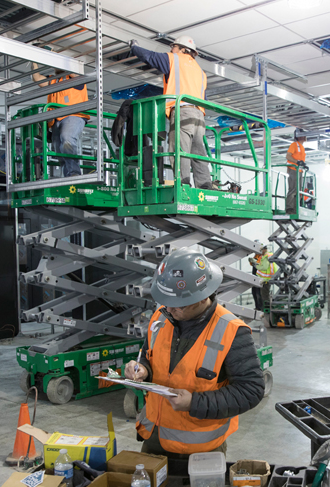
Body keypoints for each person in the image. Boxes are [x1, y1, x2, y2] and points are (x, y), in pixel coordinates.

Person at [125, 248, 264, 458]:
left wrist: (194, 403)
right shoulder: (161, 317)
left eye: (178, 305)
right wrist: (142, 368)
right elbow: (148, 355)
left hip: (201, 449)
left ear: (202, 297)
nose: (169, 309)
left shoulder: (232, 331)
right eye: (166, 302)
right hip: (154, 437)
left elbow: (251, 391)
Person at [130, 37, 212, 189]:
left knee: (179, 149)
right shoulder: (201, 72)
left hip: (182, 111)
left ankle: (183, 186)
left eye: (173, 47)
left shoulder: (174, 59)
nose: (171, 50)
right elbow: (204, 98)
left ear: (182, 49)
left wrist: (134, 47)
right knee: (198, 151)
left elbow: (150, 56)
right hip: (199, 116)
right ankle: (205, 185)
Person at [31, 61, 89, 178]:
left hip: (74, 115)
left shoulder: (75, 77)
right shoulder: (53, 80)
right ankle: (67, 176)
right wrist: (33, 60)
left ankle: (74, 173)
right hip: (57, 119)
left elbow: (71, 70)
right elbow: (37, 78)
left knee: (67, 139)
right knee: (59, 150)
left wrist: (57, 57)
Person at [285, 130, 307, 214]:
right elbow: (288, 156)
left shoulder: (301, 147)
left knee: (298, 190)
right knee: (293, 189)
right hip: (294, 169)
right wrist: (297, 162)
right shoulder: (294, 145)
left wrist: (302, 164)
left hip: (299, 170)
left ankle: (295, 208)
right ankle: (289, 208)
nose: (305, 136)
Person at [248, 246, 276, 311]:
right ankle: (260, 308)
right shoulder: (262, 256)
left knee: (262, 295)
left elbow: (262, 267)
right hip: (261, 278)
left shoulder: (265, 257)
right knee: (257, 293)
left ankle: (265, 310)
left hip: (265, 279)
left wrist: (255, 264)